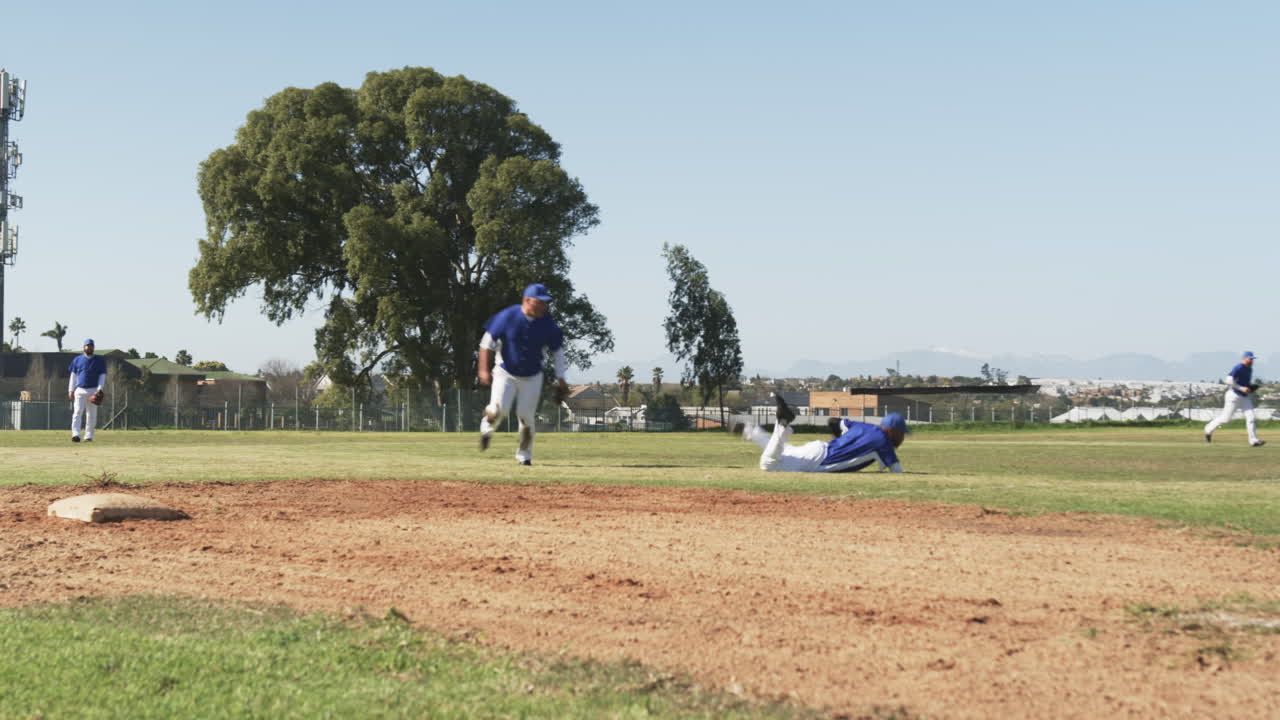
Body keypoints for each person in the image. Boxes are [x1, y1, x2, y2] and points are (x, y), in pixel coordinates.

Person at [477, 283, 570, 466]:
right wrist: (483, 370)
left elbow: (558, 351)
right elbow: (486, 344)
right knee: (498, 410)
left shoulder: (547, 323)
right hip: (505, 372)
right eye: (540, 302)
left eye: (546, 303)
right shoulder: (507, 316)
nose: (544, 306)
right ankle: (486, 429)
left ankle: (524, 456)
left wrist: (561, 379)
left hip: (532, 376)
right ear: (527, 301)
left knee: (526, 417)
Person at [738, 396, 908, 472]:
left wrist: (841, 443)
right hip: (820, 460)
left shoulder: (864, 426)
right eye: (902, 434)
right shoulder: (884, 443)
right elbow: (897, 472)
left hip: (819, 447)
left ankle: (751, 431)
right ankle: (782, 425)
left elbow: (833, 422)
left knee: (784, 451)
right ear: (892, 431)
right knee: (768, 464)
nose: (902, 439)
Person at [1204, 351, 1265, 447]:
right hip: (1233, 396)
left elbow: (1245, 384)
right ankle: (1208, 429)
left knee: (1251, 417)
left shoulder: (1250, 369)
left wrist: (1250, 387)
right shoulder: (1239, 367)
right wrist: (1241, 388)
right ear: (1244, 358)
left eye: (1252, 359)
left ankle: (1253, 441)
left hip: (1244, 397)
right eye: (1250, 358)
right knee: (1225, 419)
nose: (1251, 360)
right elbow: (1228, 380)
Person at [67, 338, 106, 443]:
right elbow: (73, 376)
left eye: (91, 346)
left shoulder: (99, 360)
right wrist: (70, 390)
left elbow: (102, 376)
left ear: (93, 347)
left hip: (93, 390)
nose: (89, 347)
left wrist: (99, 389)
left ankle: (88, 436)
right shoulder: (77, 360)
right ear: (84, 347)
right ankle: (75, 434)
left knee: (91, 415)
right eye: (87, 346)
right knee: (77, 412)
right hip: (80, 389)